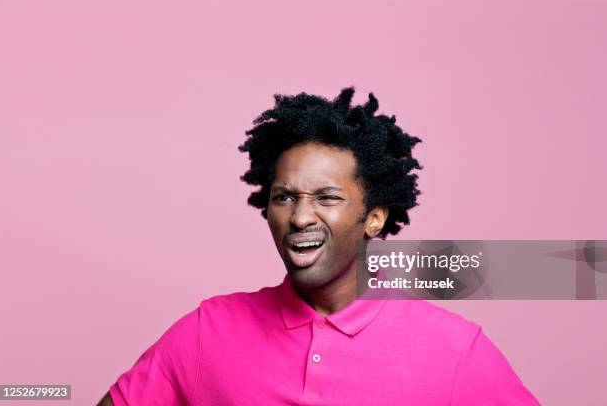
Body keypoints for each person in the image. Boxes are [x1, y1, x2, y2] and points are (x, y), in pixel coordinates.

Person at [98, 88, 539, 405]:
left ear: (374, 217)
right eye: (284, 197)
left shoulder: (454, 350)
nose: (301, 217)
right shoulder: (206, 332)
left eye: (327, 198)